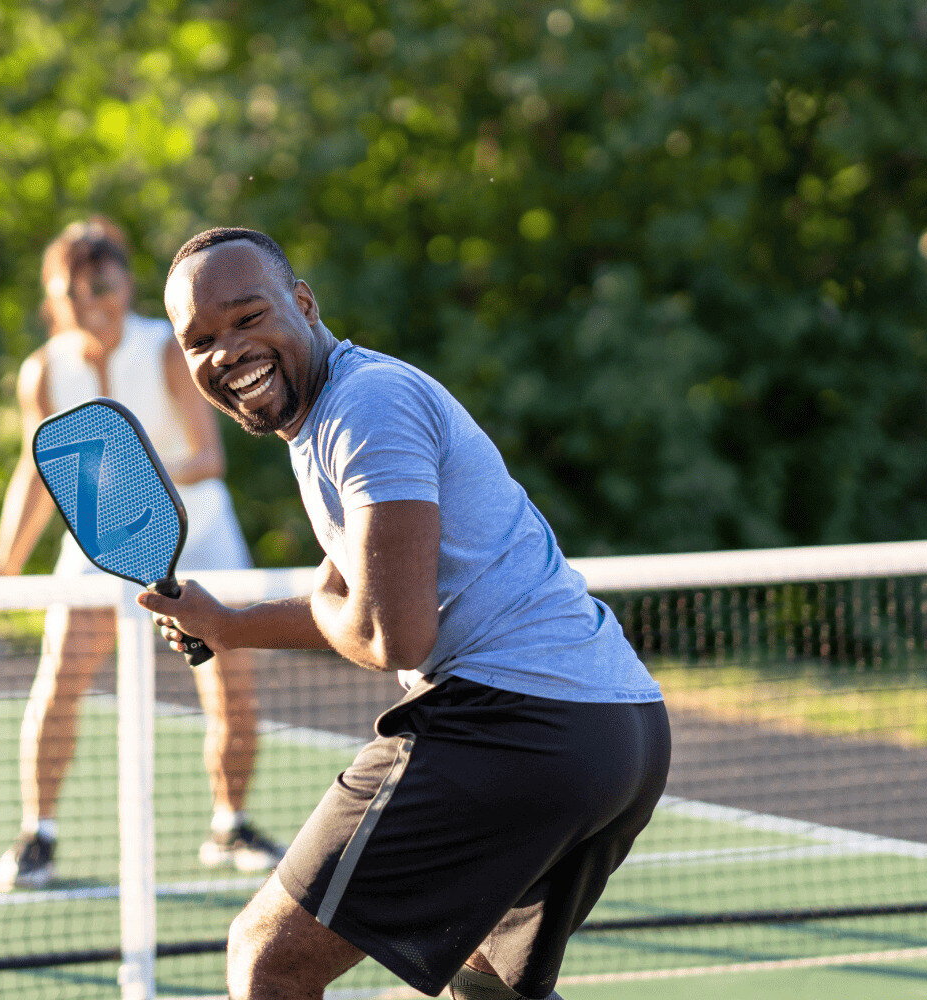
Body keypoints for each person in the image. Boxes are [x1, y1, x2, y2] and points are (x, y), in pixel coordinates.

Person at [138, 228, 671, 1000]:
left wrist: (255, 622)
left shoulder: (366, 407)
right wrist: (225, 623)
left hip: (517, 722)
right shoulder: (330, 417)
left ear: (305, 303)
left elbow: (393, 633)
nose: (226, 351)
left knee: (265, 957)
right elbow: (342, 597)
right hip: (618, 731)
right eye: (199, 340)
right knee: (483, 989)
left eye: (248, 317)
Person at [0, 218, 283, 892]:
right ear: (54, 298)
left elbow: (209, 457)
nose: (91, 300)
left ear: (124, 284)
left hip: (199, 536)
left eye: (103, 285)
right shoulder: (43, 372)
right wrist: (4, 560)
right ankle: (39, 835)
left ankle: (229, 824)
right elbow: (37, 471)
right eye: (74, 290)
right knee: (59, 679)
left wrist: (131, 482)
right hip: (96, 548)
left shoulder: (167, 349)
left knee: (231, 686)